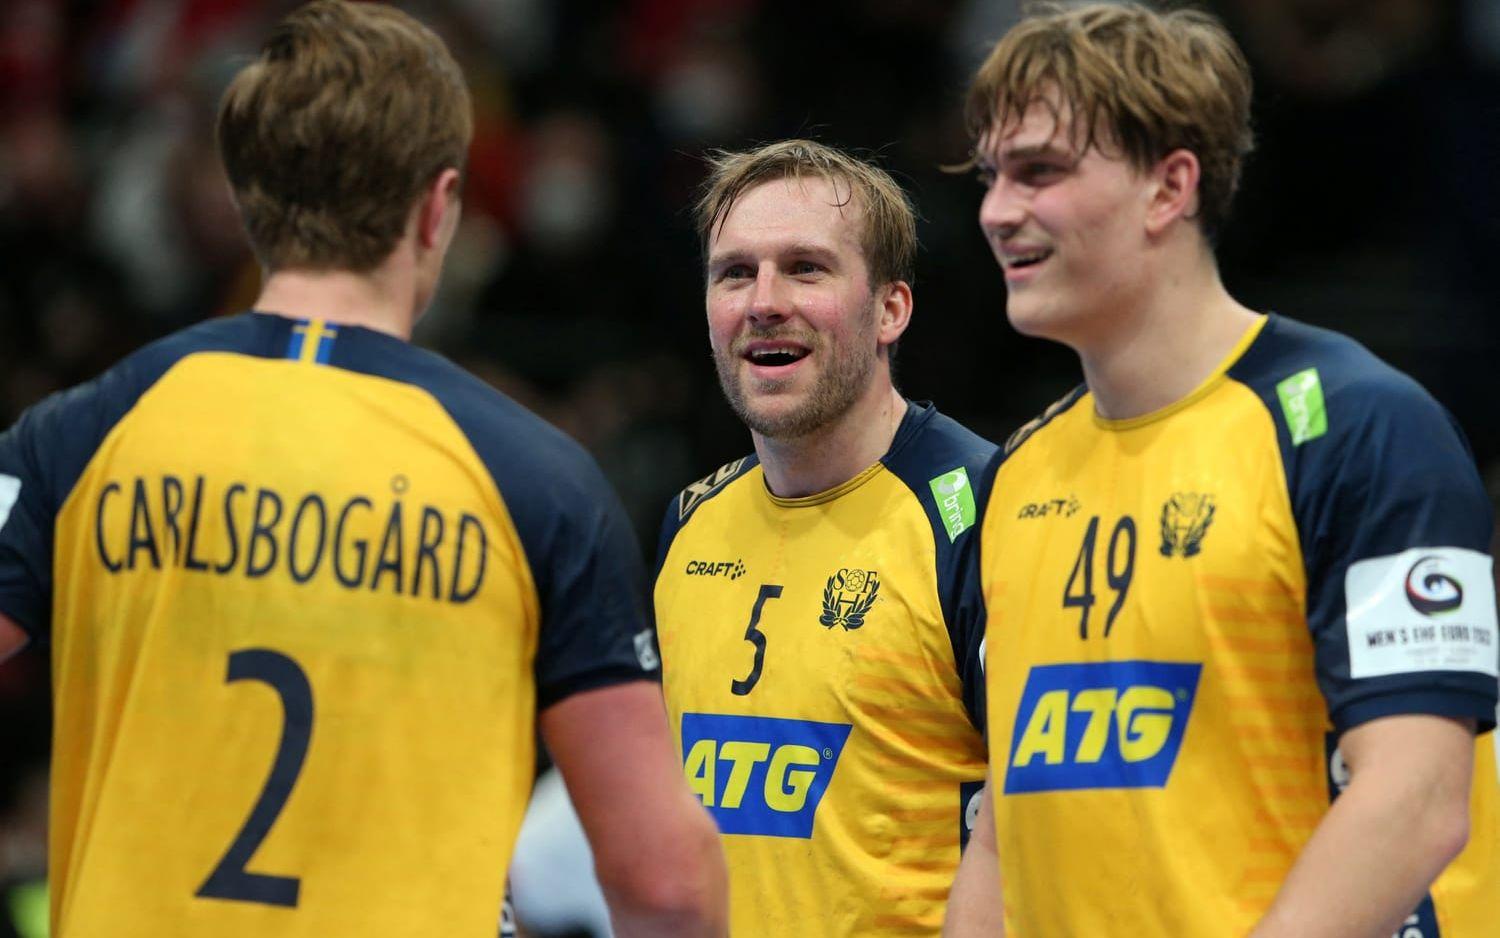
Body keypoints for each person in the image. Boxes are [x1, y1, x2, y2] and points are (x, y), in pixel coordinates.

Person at [0, 2, 727, 936]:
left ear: (248, 197)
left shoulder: (84, 432)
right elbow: (664, 882)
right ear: (438, 207)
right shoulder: (534, 477)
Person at [945, 3, 1500, 936]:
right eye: (993, 175)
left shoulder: (1357, 428)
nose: (998, 210)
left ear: (1170, 187)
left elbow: (1417, 799)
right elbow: (1004, 831)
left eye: (1040, 171)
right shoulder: (1019, 475)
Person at [654, 139, 994, 936]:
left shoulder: (985, 512)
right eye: (735, 272)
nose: (763, 301)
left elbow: (1040, 834)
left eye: (806, 268)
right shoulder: (688, 522)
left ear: (890, 309)